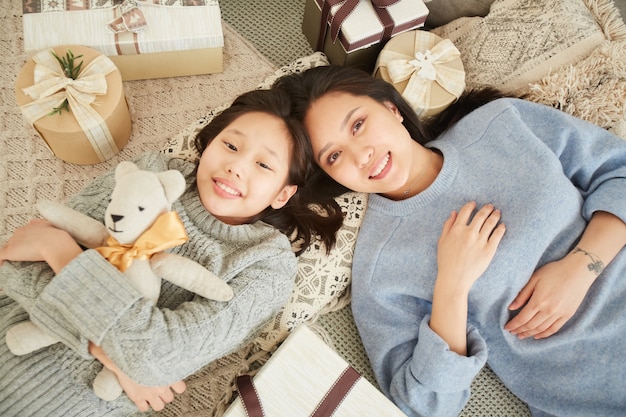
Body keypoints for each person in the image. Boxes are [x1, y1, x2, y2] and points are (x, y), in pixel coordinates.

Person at [274, 65, 626, 417]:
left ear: (391, 108)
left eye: (358, 124)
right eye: (333, 156)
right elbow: (424, 406)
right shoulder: (379, 270)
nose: (360, 154)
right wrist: (452, 287)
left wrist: (582, 266)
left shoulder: (502, 122)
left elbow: (617, 169)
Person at [0, 88, 344, 416]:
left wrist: (59, 251)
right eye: (230, 145)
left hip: (71, 401)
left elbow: (158, 356)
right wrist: (112, 358)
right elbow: (14, 263)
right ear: (209, 144)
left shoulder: (266, 266)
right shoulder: (153, 173)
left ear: (282, 194)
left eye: (264, 165)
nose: (236, 167)